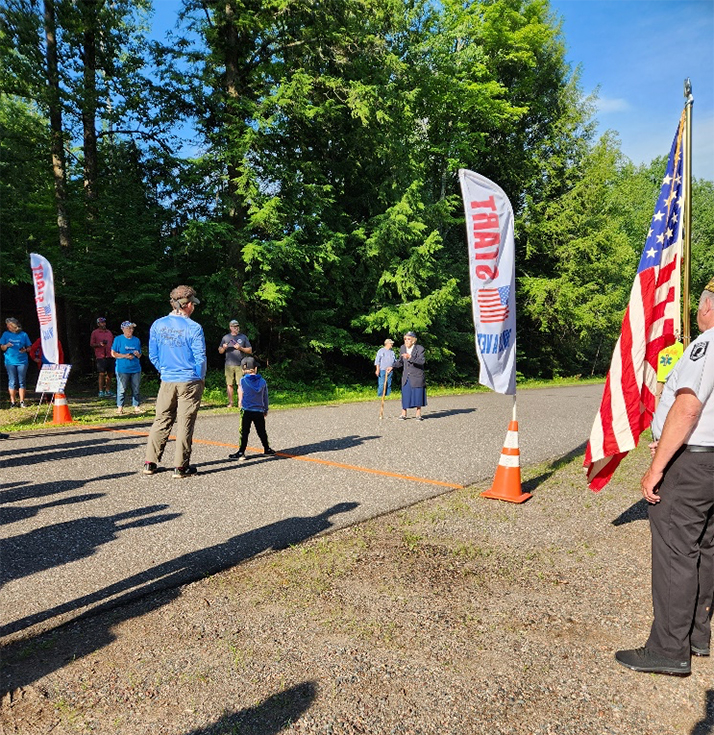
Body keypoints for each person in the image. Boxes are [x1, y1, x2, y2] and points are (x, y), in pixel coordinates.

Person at [616, 281, 714, 676]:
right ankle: (696, 635)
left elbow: (688, 407)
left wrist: (658, 467)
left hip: (692, 464)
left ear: (708, 307)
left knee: (677, 551)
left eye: (701, 303)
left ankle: (668, 649)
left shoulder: (705, 346)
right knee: (705, 546)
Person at [143, 285, 207, 479]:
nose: (194, 307)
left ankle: (150, 462)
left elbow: (153, 355)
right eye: (192, 304)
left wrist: (164, 371)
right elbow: (200, 358)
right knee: (185, 422)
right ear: (186, 305)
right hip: (189, 379)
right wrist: (200, 377)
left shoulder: (158, 325)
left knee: (161, 419)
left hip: (167, 379)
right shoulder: (194, 328)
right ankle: (180, 467)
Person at [228, 356, 276, 461]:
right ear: (255, 368)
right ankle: (266, 449)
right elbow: (265, 397)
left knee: (244, 431)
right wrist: (265, 409)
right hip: (259, 410)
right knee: (261, 431)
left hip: (247, 410)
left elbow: (240, 393)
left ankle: (241, 452)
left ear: (243, 369)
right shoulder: (262, 381)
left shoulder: (243, 381)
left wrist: (240, 402)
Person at [391, 331, 426, 420]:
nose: (406, 341)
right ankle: (403, 414)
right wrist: (392, 367)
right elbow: (400, 362)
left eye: (408, 339)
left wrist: (410, 357)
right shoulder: (402, 348)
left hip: (417, 376)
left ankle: (418, 414)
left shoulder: (420, 348)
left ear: (413, 340)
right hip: (406, 376)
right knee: (405, 394)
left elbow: (421, 361)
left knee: (417, 394)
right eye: (405, 339)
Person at [218, 319, 252, 408]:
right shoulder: (226, 338)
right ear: (230, 327)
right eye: (234, 327)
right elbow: (220, 351)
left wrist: (240, 348)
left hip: (240, 364)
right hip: (228, 365)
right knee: (229, 384)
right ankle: (231, 402)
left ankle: (240, 403)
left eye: (237, 326)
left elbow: (249, 350)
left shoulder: (243, 337)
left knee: (240, 384)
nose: (236, 328)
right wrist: (224, 348)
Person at [111, 321, 143, 414]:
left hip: (135, 368)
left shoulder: (136, 340)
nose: (131, 330)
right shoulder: (118, 339)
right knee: (122, 388)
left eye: (132, 328)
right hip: (122, 368)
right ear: (123, 329)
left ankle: (136, 406)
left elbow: (140, 355)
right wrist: (125, 356)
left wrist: (138, 354)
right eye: (129, 328)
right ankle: (120, 407)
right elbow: (113, 353)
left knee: (136, 388)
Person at [1, 318, 32, 408]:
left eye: (9, 325)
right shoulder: (5, 334)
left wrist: (25, 350)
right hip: (9, 361)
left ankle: (22, 401)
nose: (7, 326)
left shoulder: (23, 334)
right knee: (12, 381)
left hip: (22, 361)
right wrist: (6, 345)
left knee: (22, 381)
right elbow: (2, 348)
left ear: (14, 325)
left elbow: (30, 347)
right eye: (7, 325)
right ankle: (13, 402)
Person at [90, 317, 115, 397]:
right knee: (101, 373)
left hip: (110, 354)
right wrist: (99, 344)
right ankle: (101, 391)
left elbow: (113, 342)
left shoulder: (109, 332)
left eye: (104, 322)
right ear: (98, 324)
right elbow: (91, 344)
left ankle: (107, 390)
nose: (103, 324)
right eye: (101, 322)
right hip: (100, 356)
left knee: (110, 373)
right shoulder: (95, 333)